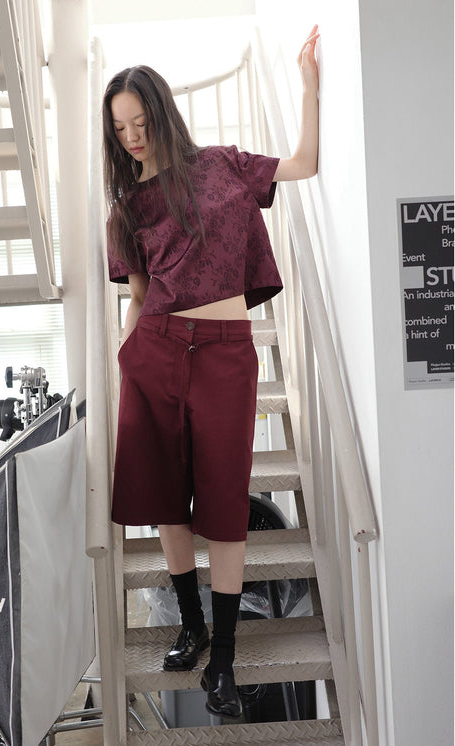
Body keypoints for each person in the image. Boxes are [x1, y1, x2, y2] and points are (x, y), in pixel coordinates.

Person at [103, 25, 320, 720]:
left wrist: (309, 83)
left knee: (224, 503)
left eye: (140, 123)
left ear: (161, 112)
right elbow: (138, 296)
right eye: (120, 129)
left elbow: (304, 163)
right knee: (166, 498)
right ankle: (191, 625)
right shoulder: (126, 208)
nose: (133, 138)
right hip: (156, 349)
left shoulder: (224, 165)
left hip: (226, 352)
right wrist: (125, 356)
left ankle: (223, 656)